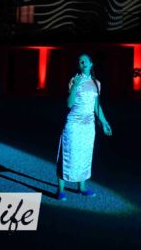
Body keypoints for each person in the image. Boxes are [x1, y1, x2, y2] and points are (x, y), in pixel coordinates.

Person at [55, 54, 112, 200]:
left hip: (88, 125)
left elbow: (96, 106)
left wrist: (105, 123)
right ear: (78, 65)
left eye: (86, 60)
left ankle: (82, 187)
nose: (83, 62)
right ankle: (60, 189)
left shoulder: (97, 83)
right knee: (67, 153)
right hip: (74, 123)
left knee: (85, 154)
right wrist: (75, 86)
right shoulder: (74, 80)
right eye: (80, 61)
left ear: (91, 64)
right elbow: (69, 104)